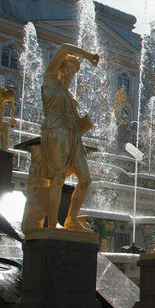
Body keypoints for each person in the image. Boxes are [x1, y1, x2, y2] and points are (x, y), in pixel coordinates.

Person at [22, 43, 100, 232]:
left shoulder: (71, 96)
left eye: (75, 68)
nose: (73, 71)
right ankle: (52, 224)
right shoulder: (50, 81)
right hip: (55, 134)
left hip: (73, 138)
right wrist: (88, 55)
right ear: (61, 68)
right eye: (70, 66)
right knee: (57, 179)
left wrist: (85, 123)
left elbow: (75, 123)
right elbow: (65, 48)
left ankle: (71, 219)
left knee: (86, 179)